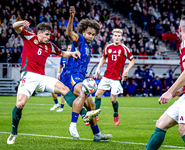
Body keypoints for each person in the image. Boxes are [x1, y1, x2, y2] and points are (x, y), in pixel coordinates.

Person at [7, 20, 81, 145]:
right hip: (28, 75)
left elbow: (62, 53)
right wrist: (21, 23)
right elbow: (14, 26)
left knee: (63, 89)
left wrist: (72, 53)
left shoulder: (50, 46)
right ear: (39, 33)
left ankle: (84, 114)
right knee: (20, 104)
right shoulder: (30, 37)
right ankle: (13, 132)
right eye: (46, 34)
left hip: (42, 77)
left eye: (49, 35)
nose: (48, 37)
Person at [146, 15, 185, 150]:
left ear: (179, 29)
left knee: (184, 130)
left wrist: (169, 92)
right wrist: (180, 90)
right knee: (161, 124)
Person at [63, 6, 112, 141]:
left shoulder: (89, 47)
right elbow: (69, 33)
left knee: (92, 105)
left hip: (80, 76)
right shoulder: (79, 40)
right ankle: (72, 125)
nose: (90, 36)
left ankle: (96, 134)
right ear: (83, 32)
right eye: (89, 33)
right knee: (83, 92)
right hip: (71, 75)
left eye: (93, 34)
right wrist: (72, 17)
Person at [94, 28, 135, 126]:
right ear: (112, 37)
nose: (116, 38)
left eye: (118, 36)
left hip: (117, 78)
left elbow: (132, 61)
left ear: (121, 37)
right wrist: (98, 68)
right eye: (115, 36)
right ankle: (95, 115)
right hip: (107, 76)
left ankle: (116, 114)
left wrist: (126, 70)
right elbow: (104, 58)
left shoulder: (124, 49)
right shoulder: (108, 47)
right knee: (97, 95)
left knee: (113, 99)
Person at [50, 44, 72, 112]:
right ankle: (56, 103)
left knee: (63, 91)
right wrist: (58, 74)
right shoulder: (63, 57)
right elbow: (60, 66)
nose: (69, 50)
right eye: (68, 48)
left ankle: (61, 107)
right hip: (62, 75)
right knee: (52, 88)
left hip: (69, 76)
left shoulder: (74, 57)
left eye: (71, 48)